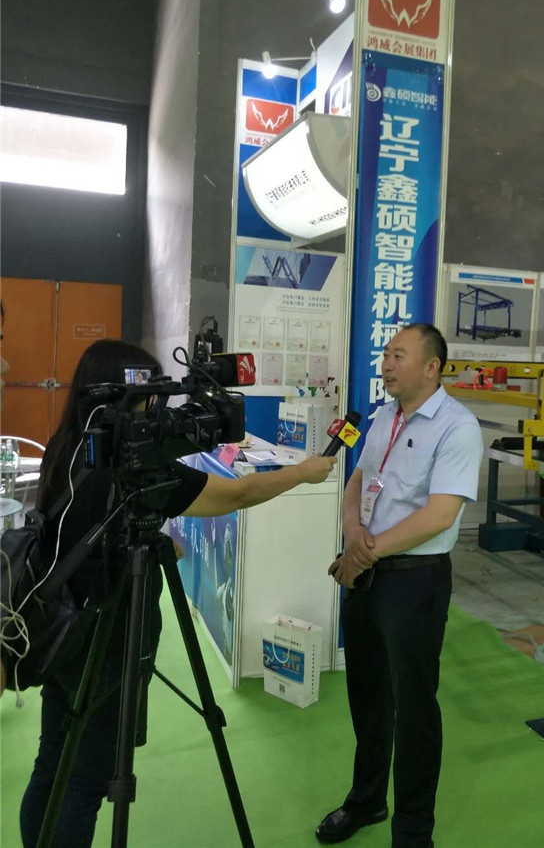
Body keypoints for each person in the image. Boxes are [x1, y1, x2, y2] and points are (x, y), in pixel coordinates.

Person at [9, 339, 335, 848]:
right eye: (149, 397)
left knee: (52, 761)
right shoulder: (129, 464)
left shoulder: (70, 445)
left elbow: (90, 522)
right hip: (107, 640)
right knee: (85, 782)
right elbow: (238, 493)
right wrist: (303, 473)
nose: (158, 410)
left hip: (62, 629)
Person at [317, 324, 483, 848]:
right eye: (386, 354)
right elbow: (358, 482)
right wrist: (352, 535)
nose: (386, 364)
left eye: (399, 356)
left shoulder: (458, 427)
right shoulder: (383, 416)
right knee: (367, 696)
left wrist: (363, 552)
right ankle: (366, 800)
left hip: (415, 582)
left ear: (432, 367)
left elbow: (439, 515)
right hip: (366, 574)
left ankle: (412, 832)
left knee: (414, 709)